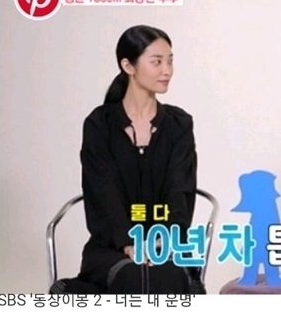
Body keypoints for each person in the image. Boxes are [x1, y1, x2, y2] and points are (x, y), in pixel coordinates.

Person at [76, 25, 201, 294]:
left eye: (170, 61)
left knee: (164, 275)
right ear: (128, 66)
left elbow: (180, 192)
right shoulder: (99, 124)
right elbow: (103, 192)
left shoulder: (179, 124)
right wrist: (128, 242)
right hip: (110, 247)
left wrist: (161, 243)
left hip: (166, 245)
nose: (167, 70)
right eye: (157, 62)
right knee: (133, 275)